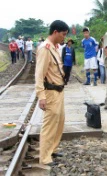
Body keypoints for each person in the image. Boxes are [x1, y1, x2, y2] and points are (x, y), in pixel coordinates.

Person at [35, 20, 69, 166]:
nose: (64, 38)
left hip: (59, 91)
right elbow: (39, 75)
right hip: (50, 92)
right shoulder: (45, 48)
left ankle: (52, 149)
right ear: (55, 32)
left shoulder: (55, 47)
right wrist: (41, 96)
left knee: (59, 122)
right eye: (63, 34)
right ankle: (45, 157)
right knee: (49, 125)